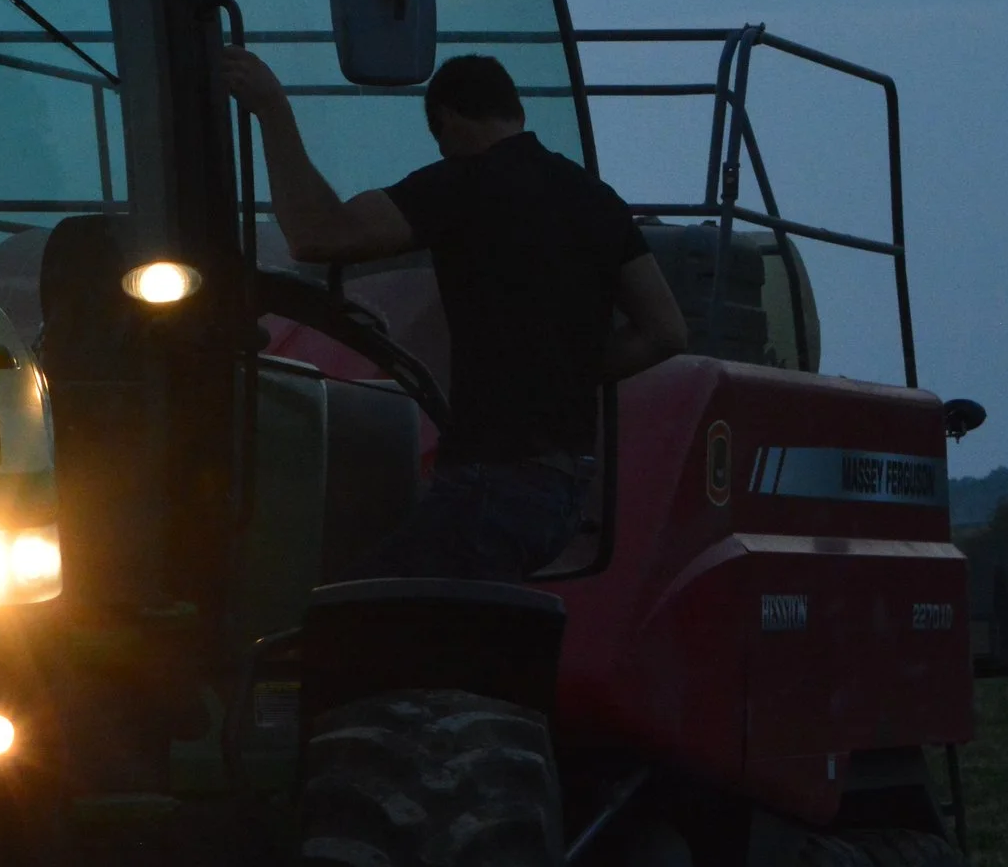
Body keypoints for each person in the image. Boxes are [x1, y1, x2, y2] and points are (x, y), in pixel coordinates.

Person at [223, 48, 689, 581]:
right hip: (562, 493)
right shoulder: (599, 201)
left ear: (446, 120)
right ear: (515, 112)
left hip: (492, 486)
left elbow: (317, 234)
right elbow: (666, 331)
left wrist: (271, 108)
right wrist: (566, 373)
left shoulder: (464, 183)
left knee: (346, 620)